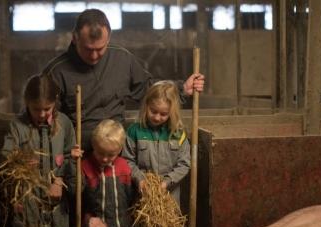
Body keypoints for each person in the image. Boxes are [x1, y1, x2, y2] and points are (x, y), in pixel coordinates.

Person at [43, 8, 204, 153]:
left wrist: (182, 89)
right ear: (74, 38)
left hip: (117, 152)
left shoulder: (122, 59)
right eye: (88, 49)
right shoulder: (56, 72)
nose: (93, 56)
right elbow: (45, 119)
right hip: (79, 157)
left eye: (100, 49)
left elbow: (148, 90)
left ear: (109, 38)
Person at [0, 74, 80, 227]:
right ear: (27, 102)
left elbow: (68, 158)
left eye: (47, 109)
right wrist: (19, 160)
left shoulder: (65, 125)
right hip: (28, 199)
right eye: (36, 109)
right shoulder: (18, 126)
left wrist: (59, 181)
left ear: (55, 103)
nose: (42, 114)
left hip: (56, 202)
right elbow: (4, 156)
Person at [123, 81, 190, 204]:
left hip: (170, 196)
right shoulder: (134, 131)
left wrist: (167, 182)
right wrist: (140, 179)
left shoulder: (178, 134)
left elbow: (184, 164)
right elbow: (127, 160)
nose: (157, 117)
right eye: (153, 111)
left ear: (171, 112)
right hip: (142, 195)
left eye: (163, 114)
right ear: (146, 105)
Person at [81, 119, 134, 227]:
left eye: (111, 155)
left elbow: (130, 198)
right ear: (93, 146)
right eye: (100, 153)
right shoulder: (85, 167)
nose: (105, 159)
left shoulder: (124, 167)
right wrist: (87, 221)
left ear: (120, 149)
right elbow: (82, 202)